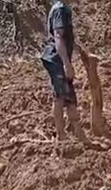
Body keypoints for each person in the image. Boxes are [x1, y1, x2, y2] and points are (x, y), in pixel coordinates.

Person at [40, 0, 89, 143]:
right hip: (56, 59)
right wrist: (67, 64)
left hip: (58, 58)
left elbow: (65, 37)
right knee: (61, 95)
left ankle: (79, 135)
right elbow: (58, 37)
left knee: (68, 95)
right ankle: (62, 136)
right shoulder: (60, 9)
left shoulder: (63, 9)